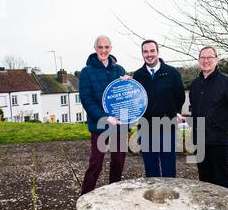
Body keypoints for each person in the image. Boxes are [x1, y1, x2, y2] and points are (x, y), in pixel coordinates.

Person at [189, 46, 228, 190]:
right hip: (199, 141)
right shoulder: (194, 84)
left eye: (210, 57)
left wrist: (225, 131)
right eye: (203, 57)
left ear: (217, 60)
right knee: (204, 180)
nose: (206, 60)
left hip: (218, 141)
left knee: (222, 181)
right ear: (198, 60)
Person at [79, 35, 127, 195]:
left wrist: (128, 84)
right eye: (100, 47)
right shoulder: (86, 72)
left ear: (111, 48)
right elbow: (86, 99)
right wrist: (105, 117)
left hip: (119, 124)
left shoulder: (119, 70)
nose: (104, 50)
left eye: (106, 47)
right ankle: (84, 197)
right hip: (99, 124)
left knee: (118, 162)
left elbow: (125, 97)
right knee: (96, 164)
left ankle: (113, 195)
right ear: (95, 48)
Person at [133, 40, 186, 177]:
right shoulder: (137, 75)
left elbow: (180, 97)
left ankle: (169, 198)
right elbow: (135, 101)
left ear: (157, 52)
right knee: (151, 171)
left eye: (152, 51)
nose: (149, 54)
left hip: (167, 129)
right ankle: (153, 198)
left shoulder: (172, 73)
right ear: (142, 53)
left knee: (169, 169)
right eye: (145, 51)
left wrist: (170, 113)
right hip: (146, 129)